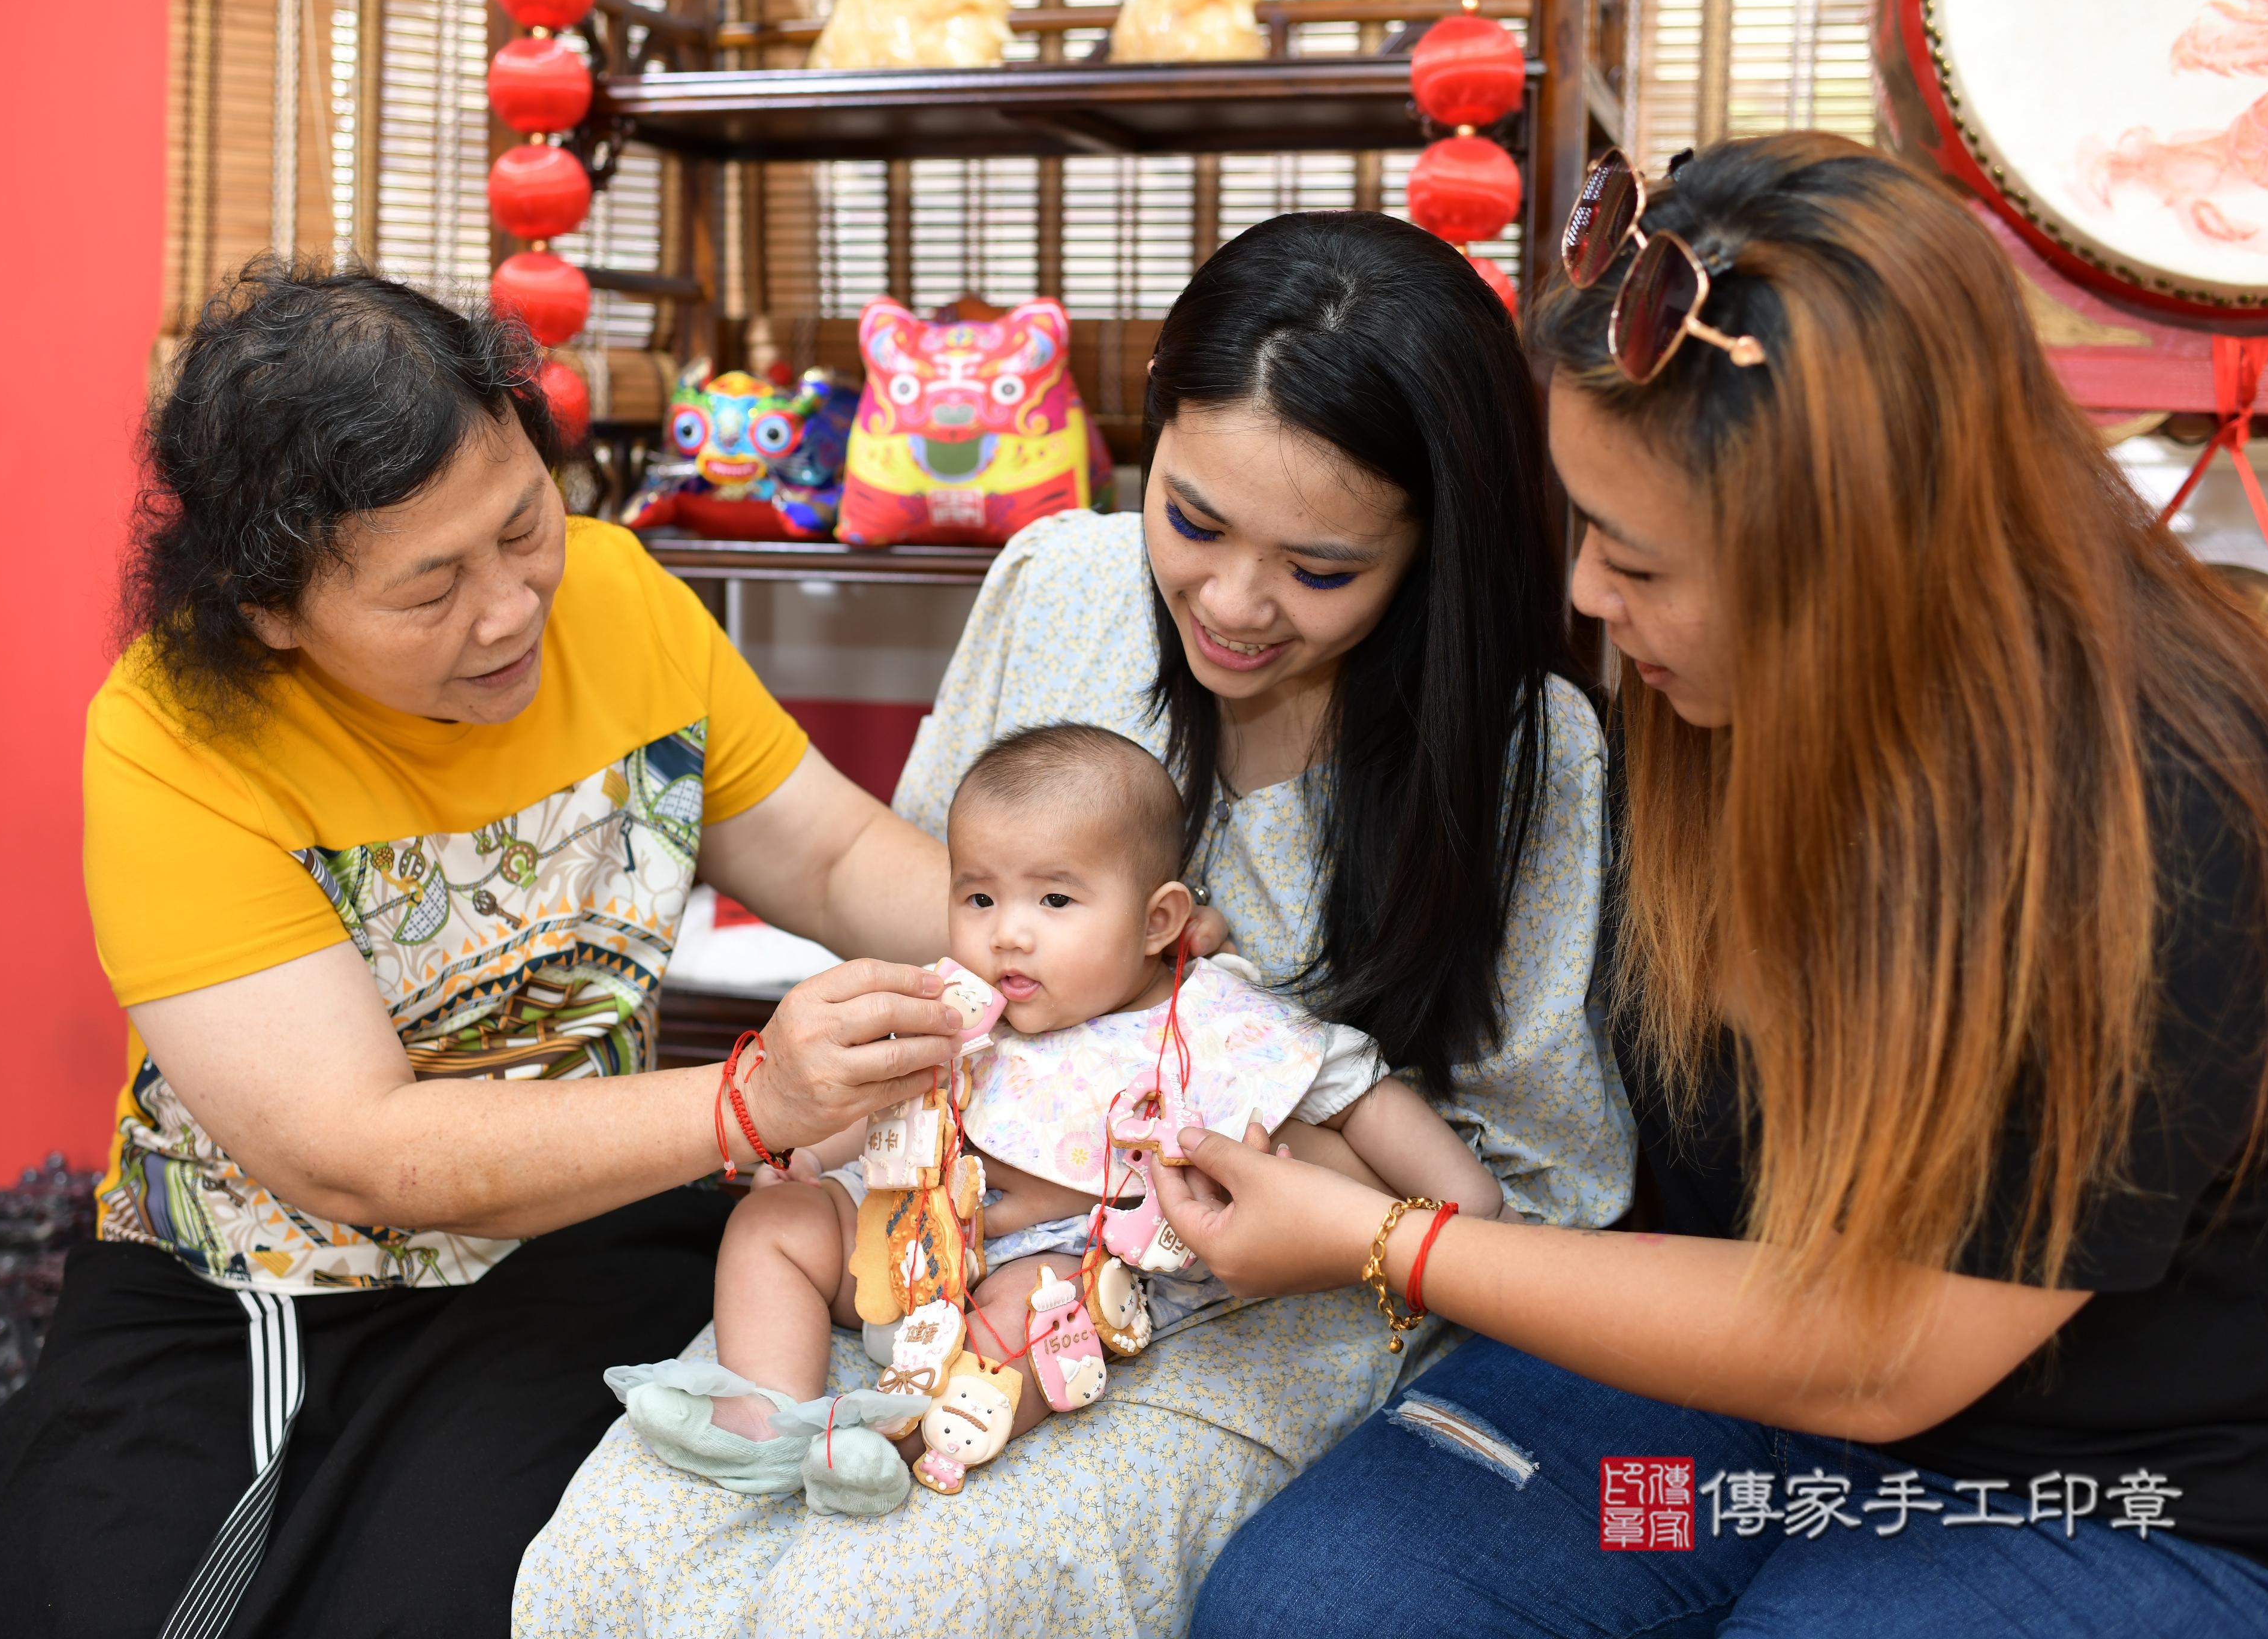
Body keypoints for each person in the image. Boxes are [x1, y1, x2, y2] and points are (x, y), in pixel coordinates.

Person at [1171, 134, 2268, 1638]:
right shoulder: (1711, 697)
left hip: (2082, 1477)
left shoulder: (2169, 821)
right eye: (1584, 531)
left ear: (1847, 566)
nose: (1585, 597)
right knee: (1318, 1606)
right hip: (1727, 1385)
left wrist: (1384, 1241)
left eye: (1636, 559)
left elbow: (1880, 1347)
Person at [514, 209, 1633, 1634]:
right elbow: (938, 929)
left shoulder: (1525, 749)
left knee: (877, 1608)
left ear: (1432, 540)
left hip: (1265, 1308)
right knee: (594, 1577)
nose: (1232, 602)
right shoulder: (1061, 585)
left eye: (1323, 569)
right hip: (935, 1229)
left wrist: (1317, 1182)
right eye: (1194, 517)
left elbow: (1546, 1185)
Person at [0, 261, 970, 1639]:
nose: (511, 607)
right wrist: (749, 1100)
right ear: (271, 611)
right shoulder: (176, 731)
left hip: (583, 1221)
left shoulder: (617, 592)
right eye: (429, 592)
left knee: (514, 1581)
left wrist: (1055, 933)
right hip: (273, 1279)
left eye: (523, 524)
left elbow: (833, 857)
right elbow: (355, 1147)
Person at [625, 723, 1509, 1516]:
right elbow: (886, 1102)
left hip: (1063, 1263)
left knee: (1029, 1324)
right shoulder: (957, 1007)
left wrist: (1442, 1218)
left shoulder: (1217, 1025)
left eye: (1054, 901)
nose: (1007, 934)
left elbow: (1399, 1133)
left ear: (1160, 918)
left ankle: (887, 1441)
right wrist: (805, 1159)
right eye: (979, 899)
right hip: (901, 1238)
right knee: (771, 1225)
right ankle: (770, 1417)